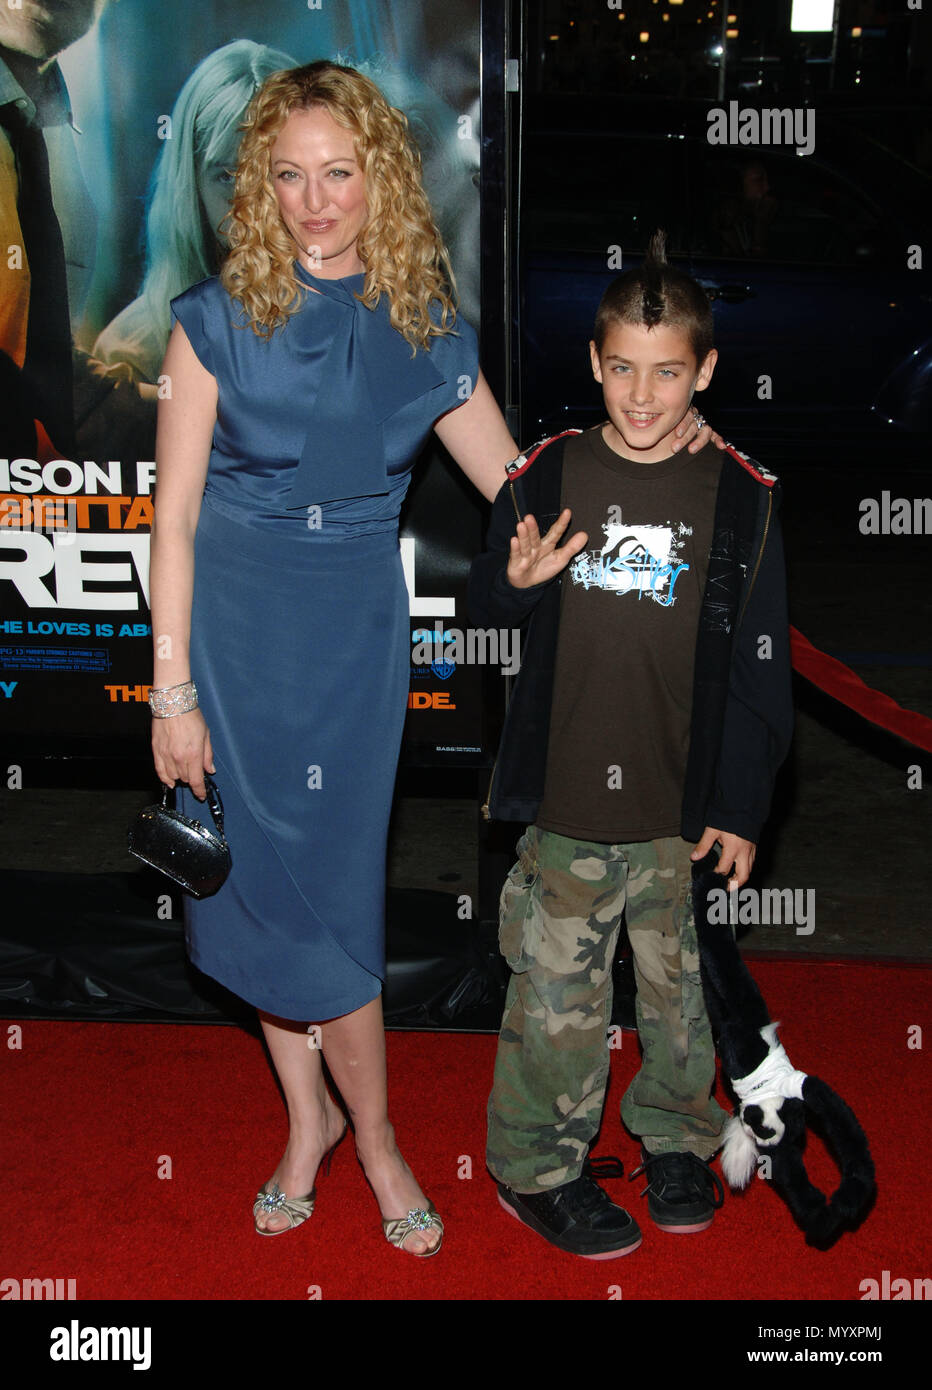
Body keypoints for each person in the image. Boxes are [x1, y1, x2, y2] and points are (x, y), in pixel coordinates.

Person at [149, 61, 717, 1256]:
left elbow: (519, 490)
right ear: (261, 185)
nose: (314, 202)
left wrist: (661, 453)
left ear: (380, 180)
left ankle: (381, 1138)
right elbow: (174, 520)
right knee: (257, 900)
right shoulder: (210, 323)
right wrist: (173, 693)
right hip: (234, 657)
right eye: (290, 177)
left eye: (339, 174)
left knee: (336, 909)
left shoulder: (424, 333)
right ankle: (307, 1124)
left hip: (349, 654)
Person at [469, 230, 793, 1259]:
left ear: (702, 370)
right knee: (555, 1003)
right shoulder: (543, 473)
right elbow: (477, 625)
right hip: (565, 805)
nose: (641, 397)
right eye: (620, 369)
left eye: (666, 373)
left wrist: (740, 802)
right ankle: (535, 1169)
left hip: (678, 812)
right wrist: (509, 591)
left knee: (679, 996)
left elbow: (757, 667)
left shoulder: (739, 492)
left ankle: (675, 1139)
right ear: (593, 363)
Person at [92, 40, 296, 391]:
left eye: (281, 173)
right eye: (228, 177)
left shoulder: (372, 312)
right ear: (192, 185)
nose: (255, 205)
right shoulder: (136, 352)